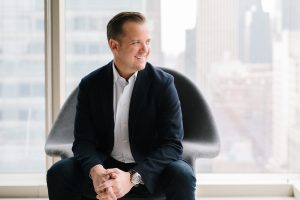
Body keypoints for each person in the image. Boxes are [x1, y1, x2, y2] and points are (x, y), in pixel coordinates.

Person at [47, 11, 196, 200]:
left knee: (182, 174)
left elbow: (173, 144)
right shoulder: (90, 84)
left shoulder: (163, 84)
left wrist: (132, 177)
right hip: (105, 166)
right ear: (114, 45)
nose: (145, 49)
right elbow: (83, 141)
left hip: (149, 169)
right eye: (136, 43)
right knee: (59, 173)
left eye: (148, 42)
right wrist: (97, 173)